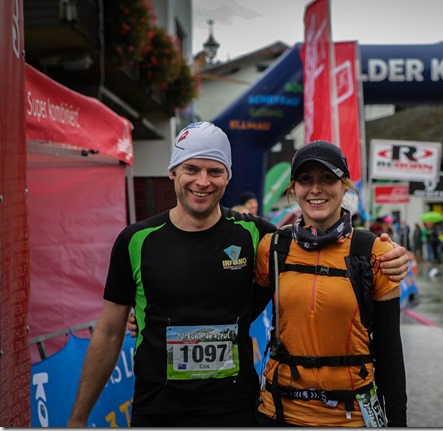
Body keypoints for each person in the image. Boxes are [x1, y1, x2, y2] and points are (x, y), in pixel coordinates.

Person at [67, 122, 410, 427]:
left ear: (228, 177)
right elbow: (110, 332)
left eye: (215, 171)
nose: (203, 181)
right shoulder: (136, 240)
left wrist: (391, 253)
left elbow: (319, 244)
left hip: (236, 410)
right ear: (173, 172)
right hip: (159, 410)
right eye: (191, 169)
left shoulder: (257, 235)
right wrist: (78, 418)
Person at [253, 140, 407, 426]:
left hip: (350, 418)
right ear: (293, 188)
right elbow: (234, 313)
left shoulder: (376, 252)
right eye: (305, 179)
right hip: (279, 413)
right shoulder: (272, 248)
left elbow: (390, 350)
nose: (315, 189)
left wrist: (398, 421)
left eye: (327, 178)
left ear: (345, 185)